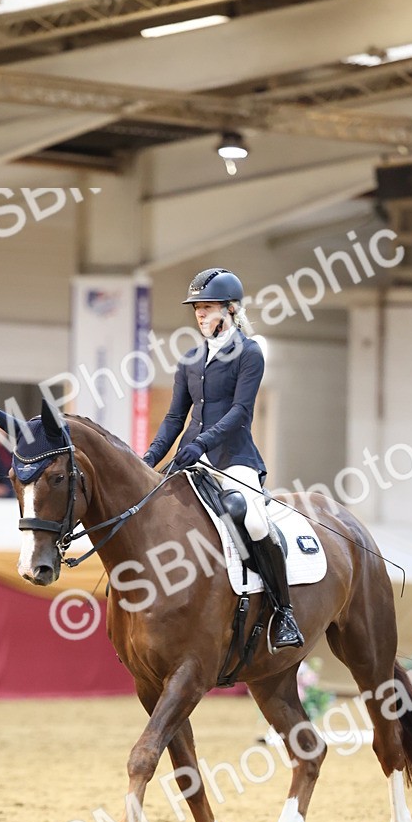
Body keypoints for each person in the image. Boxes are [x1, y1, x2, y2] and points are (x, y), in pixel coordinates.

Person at [142, 267, 303, 650]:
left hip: (233, 458)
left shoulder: (249, 353)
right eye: (197, 308)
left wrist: (202, 444)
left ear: (230, 310)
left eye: (208, 307)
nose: (200, 314)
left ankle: (284, 613)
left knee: (254, 521)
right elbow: (174, 418)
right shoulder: (190, 360)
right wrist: (147, 459)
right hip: (192, 458)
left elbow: (240, 413)